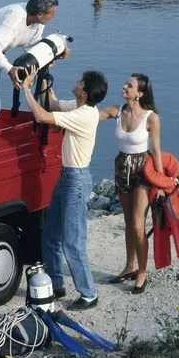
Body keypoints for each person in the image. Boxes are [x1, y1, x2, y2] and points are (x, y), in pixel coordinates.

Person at [21, 67, 108, 311]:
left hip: (76, 181)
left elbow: (42, 116)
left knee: (72, 240)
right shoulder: (81, 108)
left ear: (85, 91)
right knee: (50, 234)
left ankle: (88, 293)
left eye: (81, 81)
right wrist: (42, 75)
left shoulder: (85, 115)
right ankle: (57, 284)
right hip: (67, 177)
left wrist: (24, 88)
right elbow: (52, 103)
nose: (77, 81)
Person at [0, 0, 69, 136]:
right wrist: (9, 69)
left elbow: (32, 43)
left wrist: (55, 52)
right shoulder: (15, 18)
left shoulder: (38, 23)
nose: (54, 16)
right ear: (40, 14)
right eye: (52, 13)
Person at [99, 74, 162, 294]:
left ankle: (142, 271)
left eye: (130, 85)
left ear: (140, 93)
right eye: (125, 83)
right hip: (121, 168)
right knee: (127, 222)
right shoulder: (117, 111)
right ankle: (129, 266)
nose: (125, 86)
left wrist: (161, 184)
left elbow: (156, 151)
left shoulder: (151, 118)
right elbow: (89, 116)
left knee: (137, 224)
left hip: (142, 170)